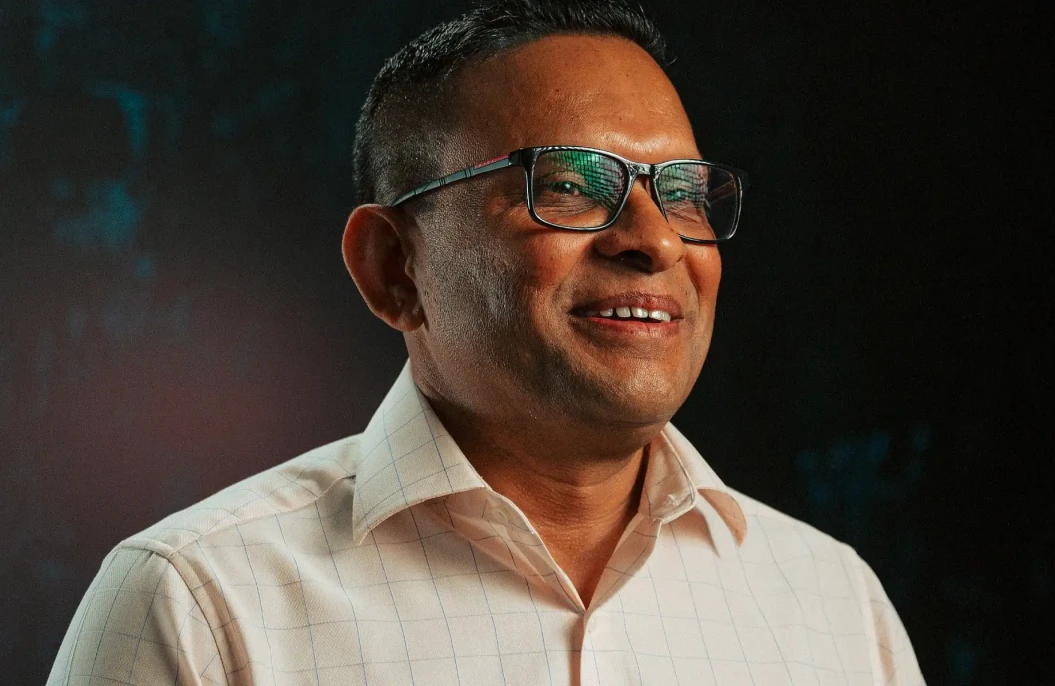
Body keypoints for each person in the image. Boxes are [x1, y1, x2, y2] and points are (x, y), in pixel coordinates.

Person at [49, 1, 924, 683]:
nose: (656, 241)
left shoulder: (834, 605)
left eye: (685, 193)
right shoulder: (199, 604)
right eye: (571, 185)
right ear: (393, 267)